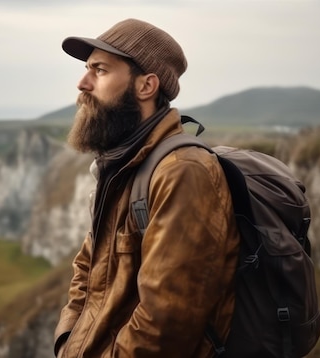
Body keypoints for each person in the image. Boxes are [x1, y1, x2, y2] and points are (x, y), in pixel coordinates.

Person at [54, 19, 240, 357]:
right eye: (86, 69)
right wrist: (67, 341)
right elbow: (86, 270)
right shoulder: (121, 166)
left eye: (100, 70)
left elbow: (166, 323)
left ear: (146, 86)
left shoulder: (183, 171)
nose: (82, 83)